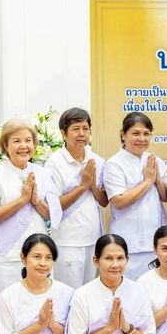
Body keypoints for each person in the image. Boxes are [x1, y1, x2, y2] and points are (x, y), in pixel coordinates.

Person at [0, 118, 60, 296]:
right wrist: (22, 200)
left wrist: (36, 201)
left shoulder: (44, 174)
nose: (23, 146)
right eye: (16, 141)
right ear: (5, 146)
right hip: (8, 253)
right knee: (7, 304)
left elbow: (52, 215)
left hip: (39, 254)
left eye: (28, 140)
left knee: (40, 300)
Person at [46, 108, 108, 288]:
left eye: (85, 128)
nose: (82, 134)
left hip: (94, 239)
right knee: (68, 295)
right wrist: (82, 186)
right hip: (68, 242)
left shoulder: (97, 160)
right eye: (76, 129)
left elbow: (104, 201)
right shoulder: (54, 163)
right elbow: (54, 206)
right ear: (64, 133)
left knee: (88, 295)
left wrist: (92, 185)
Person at [103, 112, 167, 280]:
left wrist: (158, 179)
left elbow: (166, 196)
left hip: (154, 242)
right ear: (123, 135)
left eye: (146, 134)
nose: (142, 138)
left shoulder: (155, 160)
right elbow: (118, 201)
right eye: (136, 133)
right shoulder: (114, 164)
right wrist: (147, 182)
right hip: (129, 244)